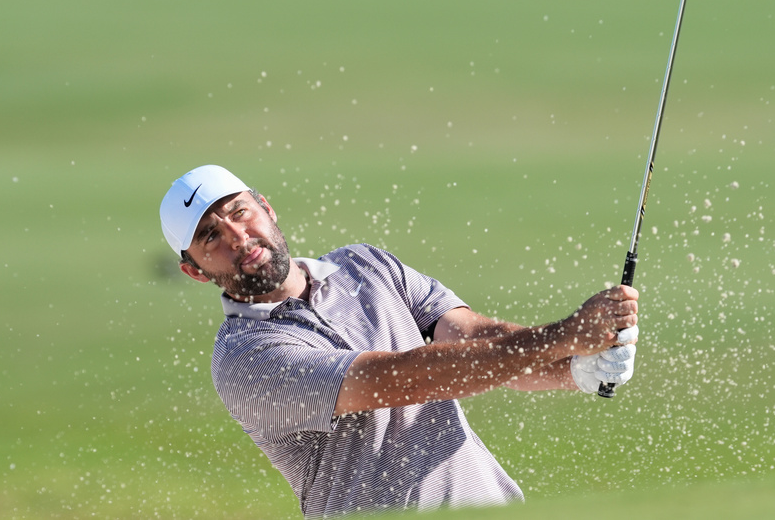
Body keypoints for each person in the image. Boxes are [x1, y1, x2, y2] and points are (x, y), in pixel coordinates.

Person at [159, 164, 639, 518]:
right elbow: (404, 378)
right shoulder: (246, 357)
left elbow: (471, 336)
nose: (239, 237)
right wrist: (562, 335)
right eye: (210, 237)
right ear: (195, 271)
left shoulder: (365, 265)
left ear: (266, 207)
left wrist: (572, 367)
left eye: (240, 212)